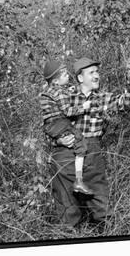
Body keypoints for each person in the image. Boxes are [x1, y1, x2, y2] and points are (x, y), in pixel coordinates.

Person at [48, 55, 130, 229]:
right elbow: (48, 122)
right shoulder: (65, 96)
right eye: (92, 72)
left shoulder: (102, 98)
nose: (97, 75)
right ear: (80, 78)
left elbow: (126, 104)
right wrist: (57, 139)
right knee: (68, 211)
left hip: (92, 153)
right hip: (64, 155)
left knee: (102, 208)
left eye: (97, 72)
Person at [38, 60, 94, 196]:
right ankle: (79, 180)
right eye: (63, 74)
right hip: (60, 123)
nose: (67, 75)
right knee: (81, 143)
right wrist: (84, 107)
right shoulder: (60, 93)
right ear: (56, 81)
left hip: (50, 127)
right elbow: (68, 112)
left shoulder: (47, 92)